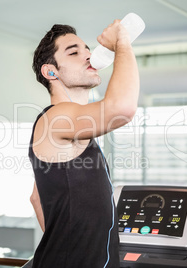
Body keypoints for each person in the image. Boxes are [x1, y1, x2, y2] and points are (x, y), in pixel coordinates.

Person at [28, 19, 140, 268]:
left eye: (87, 49)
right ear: (51, 71)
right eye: (74, 52)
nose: (88, 55)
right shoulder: (57, 117)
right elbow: (121, 108)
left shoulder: (75, 124)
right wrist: (122, 41)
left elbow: (37, 198)